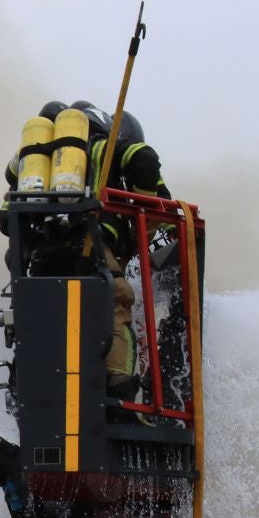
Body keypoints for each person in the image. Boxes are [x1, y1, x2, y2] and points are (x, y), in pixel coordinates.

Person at [71, 102, 170, 398]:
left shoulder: (45, 164)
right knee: (118, 304)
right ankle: (119, 390)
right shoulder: (108, 148)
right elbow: (145, 161)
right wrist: (146, 211)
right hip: (93, 247)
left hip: (38, 258)